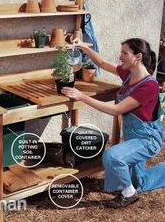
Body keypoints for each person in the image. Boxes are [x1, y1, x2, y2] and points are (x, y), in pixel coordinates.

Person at [61, 38, 164, 208]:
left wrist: (81, 96)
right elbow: (101, 63)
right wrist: (83, 47)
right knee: (141, 182)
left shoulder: (149, 86)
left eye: (125, 53)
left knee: (112, 156)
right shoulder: (129, 73)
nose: (120, 56)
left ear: (137, 57)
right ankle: (134, 186)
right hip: (133, 139)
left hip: (147, 141)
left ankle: (129, 194)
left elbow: (116, 110)